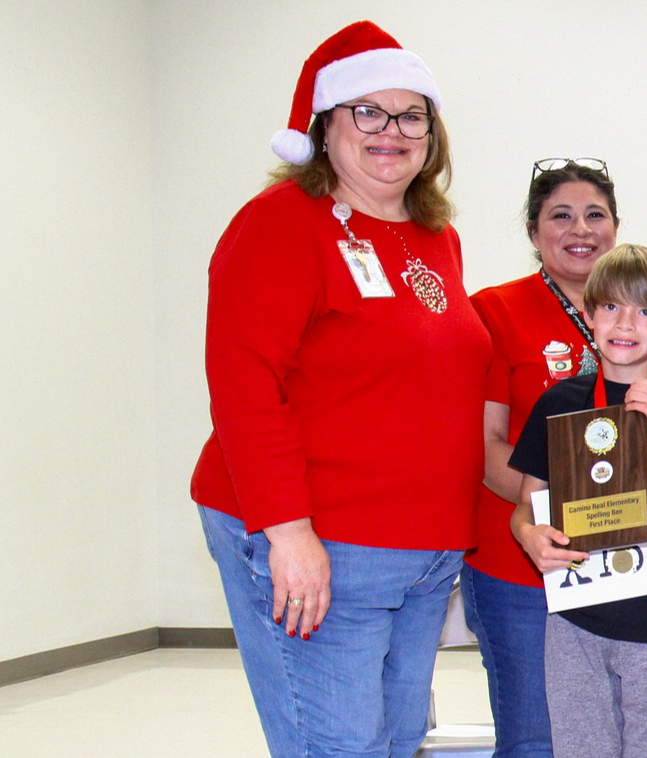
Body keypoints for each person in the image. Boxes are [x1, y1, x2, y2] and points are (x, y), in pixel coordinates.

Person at [191, 21, 489, 757]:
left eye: (411, 114)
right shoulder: (278, 226)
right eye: (367, 110)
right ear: (325, 127)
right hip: (321, 540)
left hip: (421, 550)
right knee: (340, 747)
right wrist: (287, 532)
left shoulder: (434, 236)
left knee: (394, 739)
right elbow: (242, 383)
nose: (391, 130)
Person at [505, 243, 647, 758]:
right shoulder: (561, 403)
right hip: (575, 620)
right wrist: (528, 535)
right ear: (588, 314)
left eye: (646, 310)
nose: (625, 323)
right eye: (610, 306)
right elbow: (527, 507)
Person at [467, 157, 631, 757]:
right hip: (522, 563)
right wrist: (564, 507)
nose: (580, 229)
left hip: (630, 560)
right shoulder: (493, 311)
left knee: (620, 731)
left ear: (617, 227)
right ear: (534, 233)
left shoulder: (646, 312)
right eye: (560, 216)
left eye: (596, 215)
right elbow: (484, 445)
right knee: (537, 736)